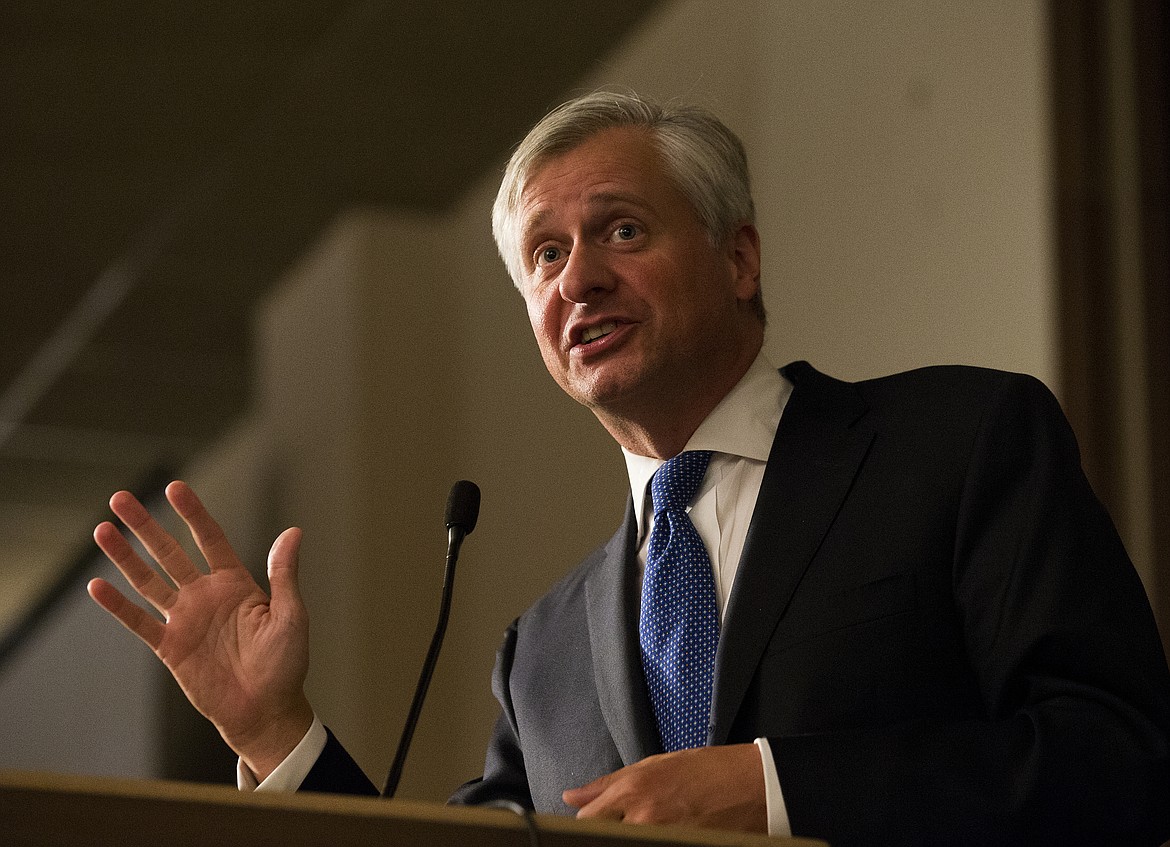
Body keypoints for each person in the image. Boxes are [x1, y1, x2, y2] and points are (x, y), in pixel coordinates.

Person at [88, 91, 1170, 846]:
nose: (579, 281)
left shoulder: (960, 441)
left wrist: (772, 790)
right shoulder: (544, 651)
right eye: (546, 258)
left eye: (621, 230)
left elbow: (1116, 761)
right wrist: (271, 731)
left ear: (738, 257)